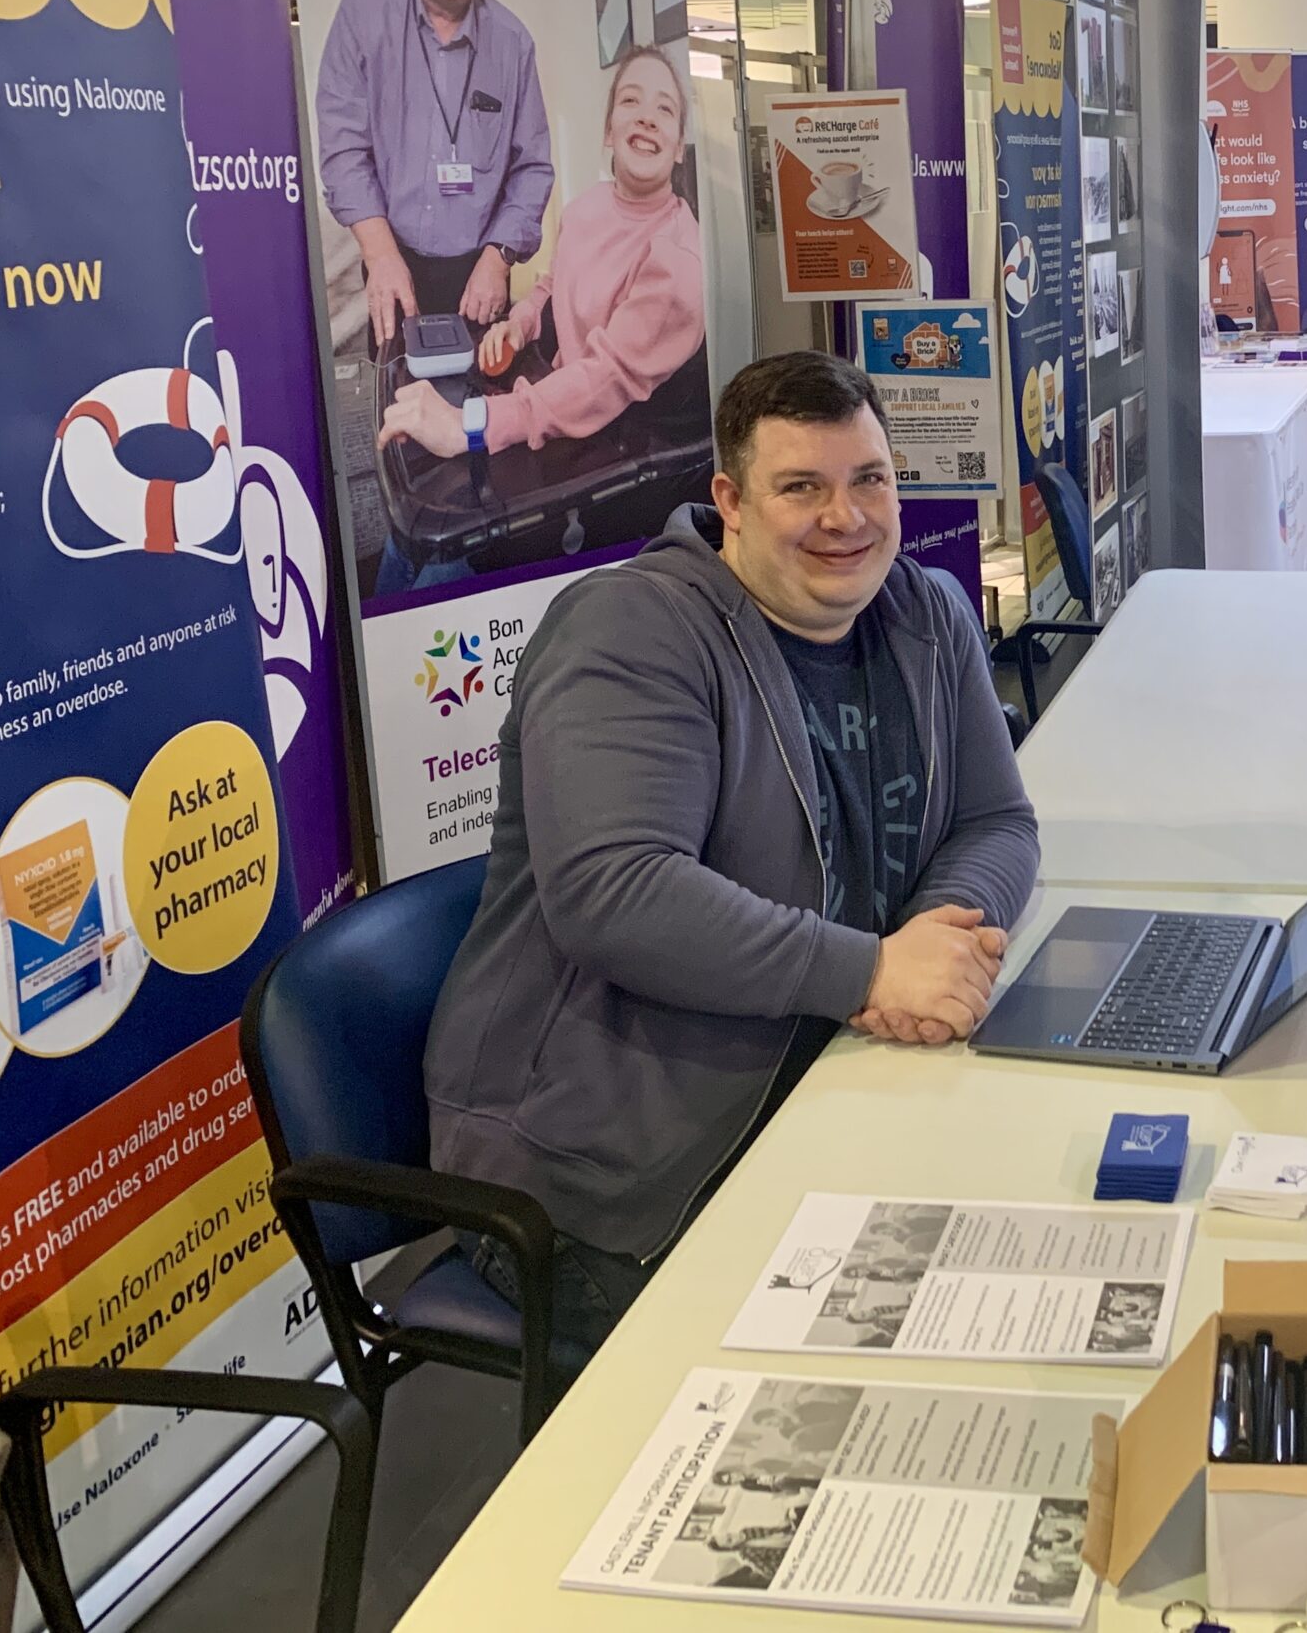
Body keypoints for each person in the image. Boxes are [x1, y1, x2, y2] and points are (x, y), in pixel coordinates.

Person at [422, 350, 1039, 1362]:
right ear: (731, 502)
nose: (846, 517)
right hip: (605, 1180)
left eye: (869, 479)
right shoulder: (631, 632)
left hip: (826, 1090)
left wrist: (944, 940)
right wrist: (871, 973)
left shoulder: (923, 611)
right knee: (870, 1371)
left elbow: (997, 821)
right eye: (801, 487)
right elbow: (616, 895)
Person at [377, 43, 705, 460]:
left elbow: (607, 379)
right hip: (555, 394)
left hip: (618, 438)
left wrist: (473, 423)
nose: (647, 117)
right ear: (609, 131)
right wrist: (520, 324)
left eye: (665, 109)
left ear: (678, 146)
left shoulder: (677, 260)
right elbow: (552, 284)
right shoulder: (584, 208)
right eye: (630, 100)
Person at [314, 0, 554, 348]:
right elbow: (343, 147)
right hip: (390, 257)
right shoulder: (362, 14)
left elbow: (532, 168)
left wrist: (499, 257)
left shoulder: (513, 43)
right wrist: (380, 255)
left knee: (482, 394)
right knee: (398, 392)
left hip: (481, 273)